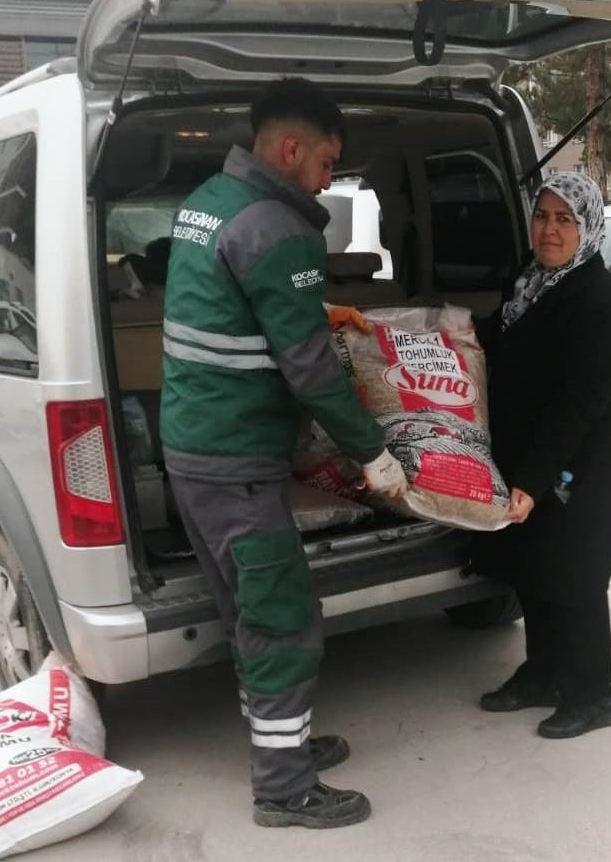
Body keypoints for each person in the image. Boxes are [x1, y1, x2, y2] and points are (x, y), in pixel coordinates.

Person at [160, 78, 407, 827]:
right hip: (237, 461)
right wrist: (373, 453)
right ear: (291, 148)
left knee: (248, 610)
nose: (331, 180)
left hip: (193, 449)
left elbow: (250, 310)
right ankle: (283, 788)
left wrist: (310, 307)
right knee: (283, 617)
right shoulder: (279, 226)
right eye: (329, 163)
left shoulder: (208, 202)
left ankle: (283, 745)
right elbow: (311, 368)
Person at [476, 171, 611, 739]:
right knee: (534, 568)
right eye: (542, 216)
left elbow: (578, 406)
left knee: (577, 577)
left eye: (565, 219)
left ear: (586, 227)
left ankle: (594, 692)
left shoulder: (597, 303)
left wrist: (535, 480)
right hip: (526, 456)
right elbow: (501, 341)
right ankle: (543, 671)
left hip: (572, 468)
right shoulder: (534, 281)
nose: (550, 229)